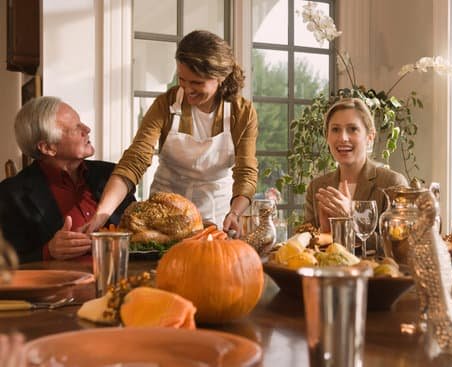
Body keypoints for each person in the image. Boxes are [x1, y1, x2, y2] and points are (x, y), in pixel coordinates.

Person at [86, 30, 258, 234]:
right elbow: (135, 160)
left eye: (197, 82)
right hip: (163, 221)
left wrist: (235, 213)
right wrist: (102, 214)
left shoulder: (242, 113)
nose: (187, 89)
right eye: (182, 80)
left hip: (218, 218)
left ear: (220, 77)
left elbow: (245, 172)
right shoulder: (165, 105)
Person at [0, 97, 135, 263]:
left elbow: (138, 235)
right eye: (76, 128)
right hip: (58, 287)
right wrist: (48, 251)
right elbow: (6, 263)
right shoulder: (12, 194)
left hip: (123, 283)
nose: (87, 129)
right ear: (48, 148)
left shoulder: (112, 175)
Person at [304, 98, 408, 233]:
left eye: (352, 129)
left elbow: (400, 245)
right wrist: (324, 232)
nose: (343, 138)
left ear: (370, 137)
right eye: (335, 129)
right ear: (327, 137)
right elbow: (306, 242)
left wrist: (352, 218)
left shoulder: (393, 184)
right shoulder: (316, 187)